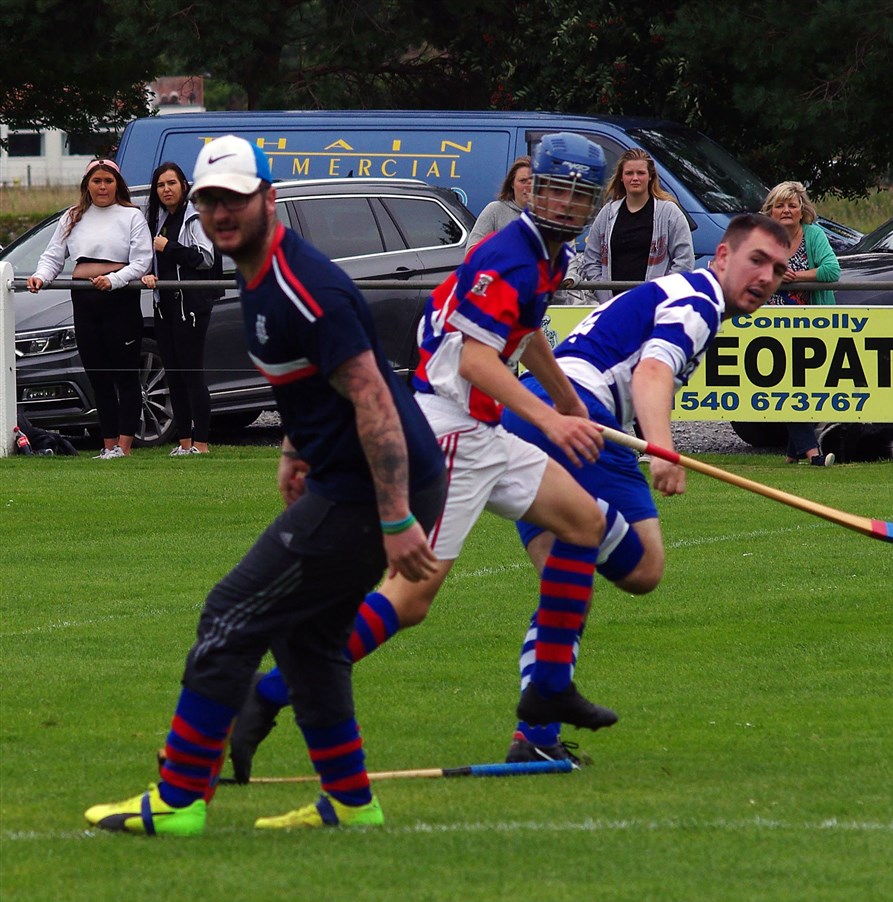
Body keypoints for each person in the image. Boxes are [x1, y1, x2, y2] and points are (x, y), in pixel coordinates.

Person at [223, 132, 617, 782]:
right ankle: (260, 697)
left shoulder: (549, 256)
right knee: (408, 601)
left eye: (580, 196)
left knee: (584, 525)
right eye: (555, 190)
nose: (566, 205)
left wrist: (568, 401)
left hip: (480, 431)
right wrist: (549, 418)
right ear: (530, 188)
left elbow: (521, 336)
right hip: (450, 431)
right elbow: (476, 358)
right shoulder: (512, 256)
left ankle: (546, 690)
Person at [84, 135, 447, 835]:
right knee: (308, 641)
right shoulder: (258, 272)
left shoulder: (302, 287)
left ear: (268, 200)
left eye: (235, 199)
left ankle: (180, 799)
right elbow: (311, 381)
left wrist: (397, 519)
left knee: (230, 614)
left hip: (371, 489)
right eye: (210, 201)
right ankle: (350, 802)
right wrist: (293, 446)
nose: (223, 213)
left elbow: (373, 396)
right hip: (349, 478)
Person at [500, 212, 792, 761]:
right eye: (757, 260)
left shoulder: (681, 292)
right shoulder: (702, 301)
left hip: (532, 410)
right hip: (580, 416)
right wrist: (661, 447)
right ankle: (543, 711)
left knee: (565, 586)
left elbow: (646, 367)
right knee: (642, 567)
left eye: (778, 270)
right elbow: (652, 371)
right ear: (723, 256)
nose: (766, 277)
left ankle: (533, 738)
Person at [27, 159, 152, 459]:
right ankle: (108, 444)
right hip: (84, 299)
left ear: (117, 184)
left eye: (108, 181)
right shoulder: (73, 216)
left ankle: (124, 446)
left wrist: (114, 280)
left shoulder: (131, 216)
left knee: (125, 374)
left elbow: (141, 261)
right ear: (87, 185)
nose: (102, 187)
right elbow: (53, 256)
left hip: (119, 299)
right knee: (98, 375)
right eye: (96, 181)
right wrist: (40, 277)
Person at [759, 180, 840, 466]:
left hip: (812, 323)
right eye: (780, 205)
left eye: (792, 205)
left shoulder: (813, 234)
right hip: (770, 326)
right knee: (785, 385)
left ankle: (794, 453)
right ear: (770, 210)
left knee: (805, 386)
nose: (786, 210)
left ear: (802, 209)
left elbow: (832, 271)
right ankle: (811, 453)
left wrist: (799, 276)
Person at [140, 161, 217, 455]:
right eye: (160, 185)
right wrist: (150, 274)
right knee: (173, 374)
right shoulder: (159, 219)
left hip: (192, 307)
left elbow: (204, 258)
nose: (166, 190)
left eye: (171, 183)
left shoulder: (195, 217)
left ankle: (202, 443)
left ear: (184, 185)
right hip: (165, 307)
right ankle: (184, 443)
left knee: (191, 374)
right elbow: (157, 259)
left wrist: (168, 248)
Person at [575, 148, 694, 303]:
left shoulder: (669, 212)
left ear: (651, 176)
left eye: (641, 173)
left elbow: (684, 261)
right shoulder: (607, 213)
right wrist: (604, 295)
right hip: (614, 306)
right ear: (621, 178)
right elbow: (591, 258)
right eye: (629, 173)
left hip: (655, 307)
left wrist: (659, 295)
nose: (635, 178)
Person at [466, 156, 532, 250]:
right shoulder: (495, 210)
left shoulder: (548, 215)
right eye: (523, 181)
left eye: (533, 181)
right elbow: (472, 252)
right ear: (512, 184)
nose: (528, 186)